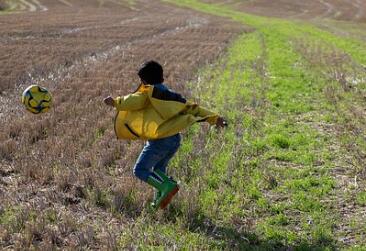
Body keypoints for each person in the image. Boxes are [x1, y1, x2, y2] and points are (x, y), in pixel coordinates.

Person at [104, 60, 227, 210]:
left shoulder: (148, 92)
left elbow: (134, 100)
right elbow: (193, 108)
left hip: (160, 141)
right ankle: (159, 201)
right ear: (161, 77)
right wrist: (215, 118)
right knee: (158, 171)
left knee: (140, 169)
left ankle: (167, 187)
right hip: (174, 139)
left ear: (144, 81)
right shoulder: (170, 96)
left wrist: (116, 102)